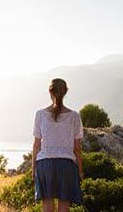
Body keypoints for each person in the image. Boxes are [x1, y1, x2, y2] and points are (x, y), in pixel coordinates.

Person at [32, 78, 84, 212]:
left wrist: (33, 168)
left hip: (44, 164)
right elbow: (77, 148)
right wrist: (80, 170)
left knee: (47, 203)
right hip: (66, 164)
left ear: (50, 92)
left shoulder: (40, 114)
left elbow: (36, 145)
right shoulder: (74, 116)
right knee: (64, 204)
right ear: (65, 93)